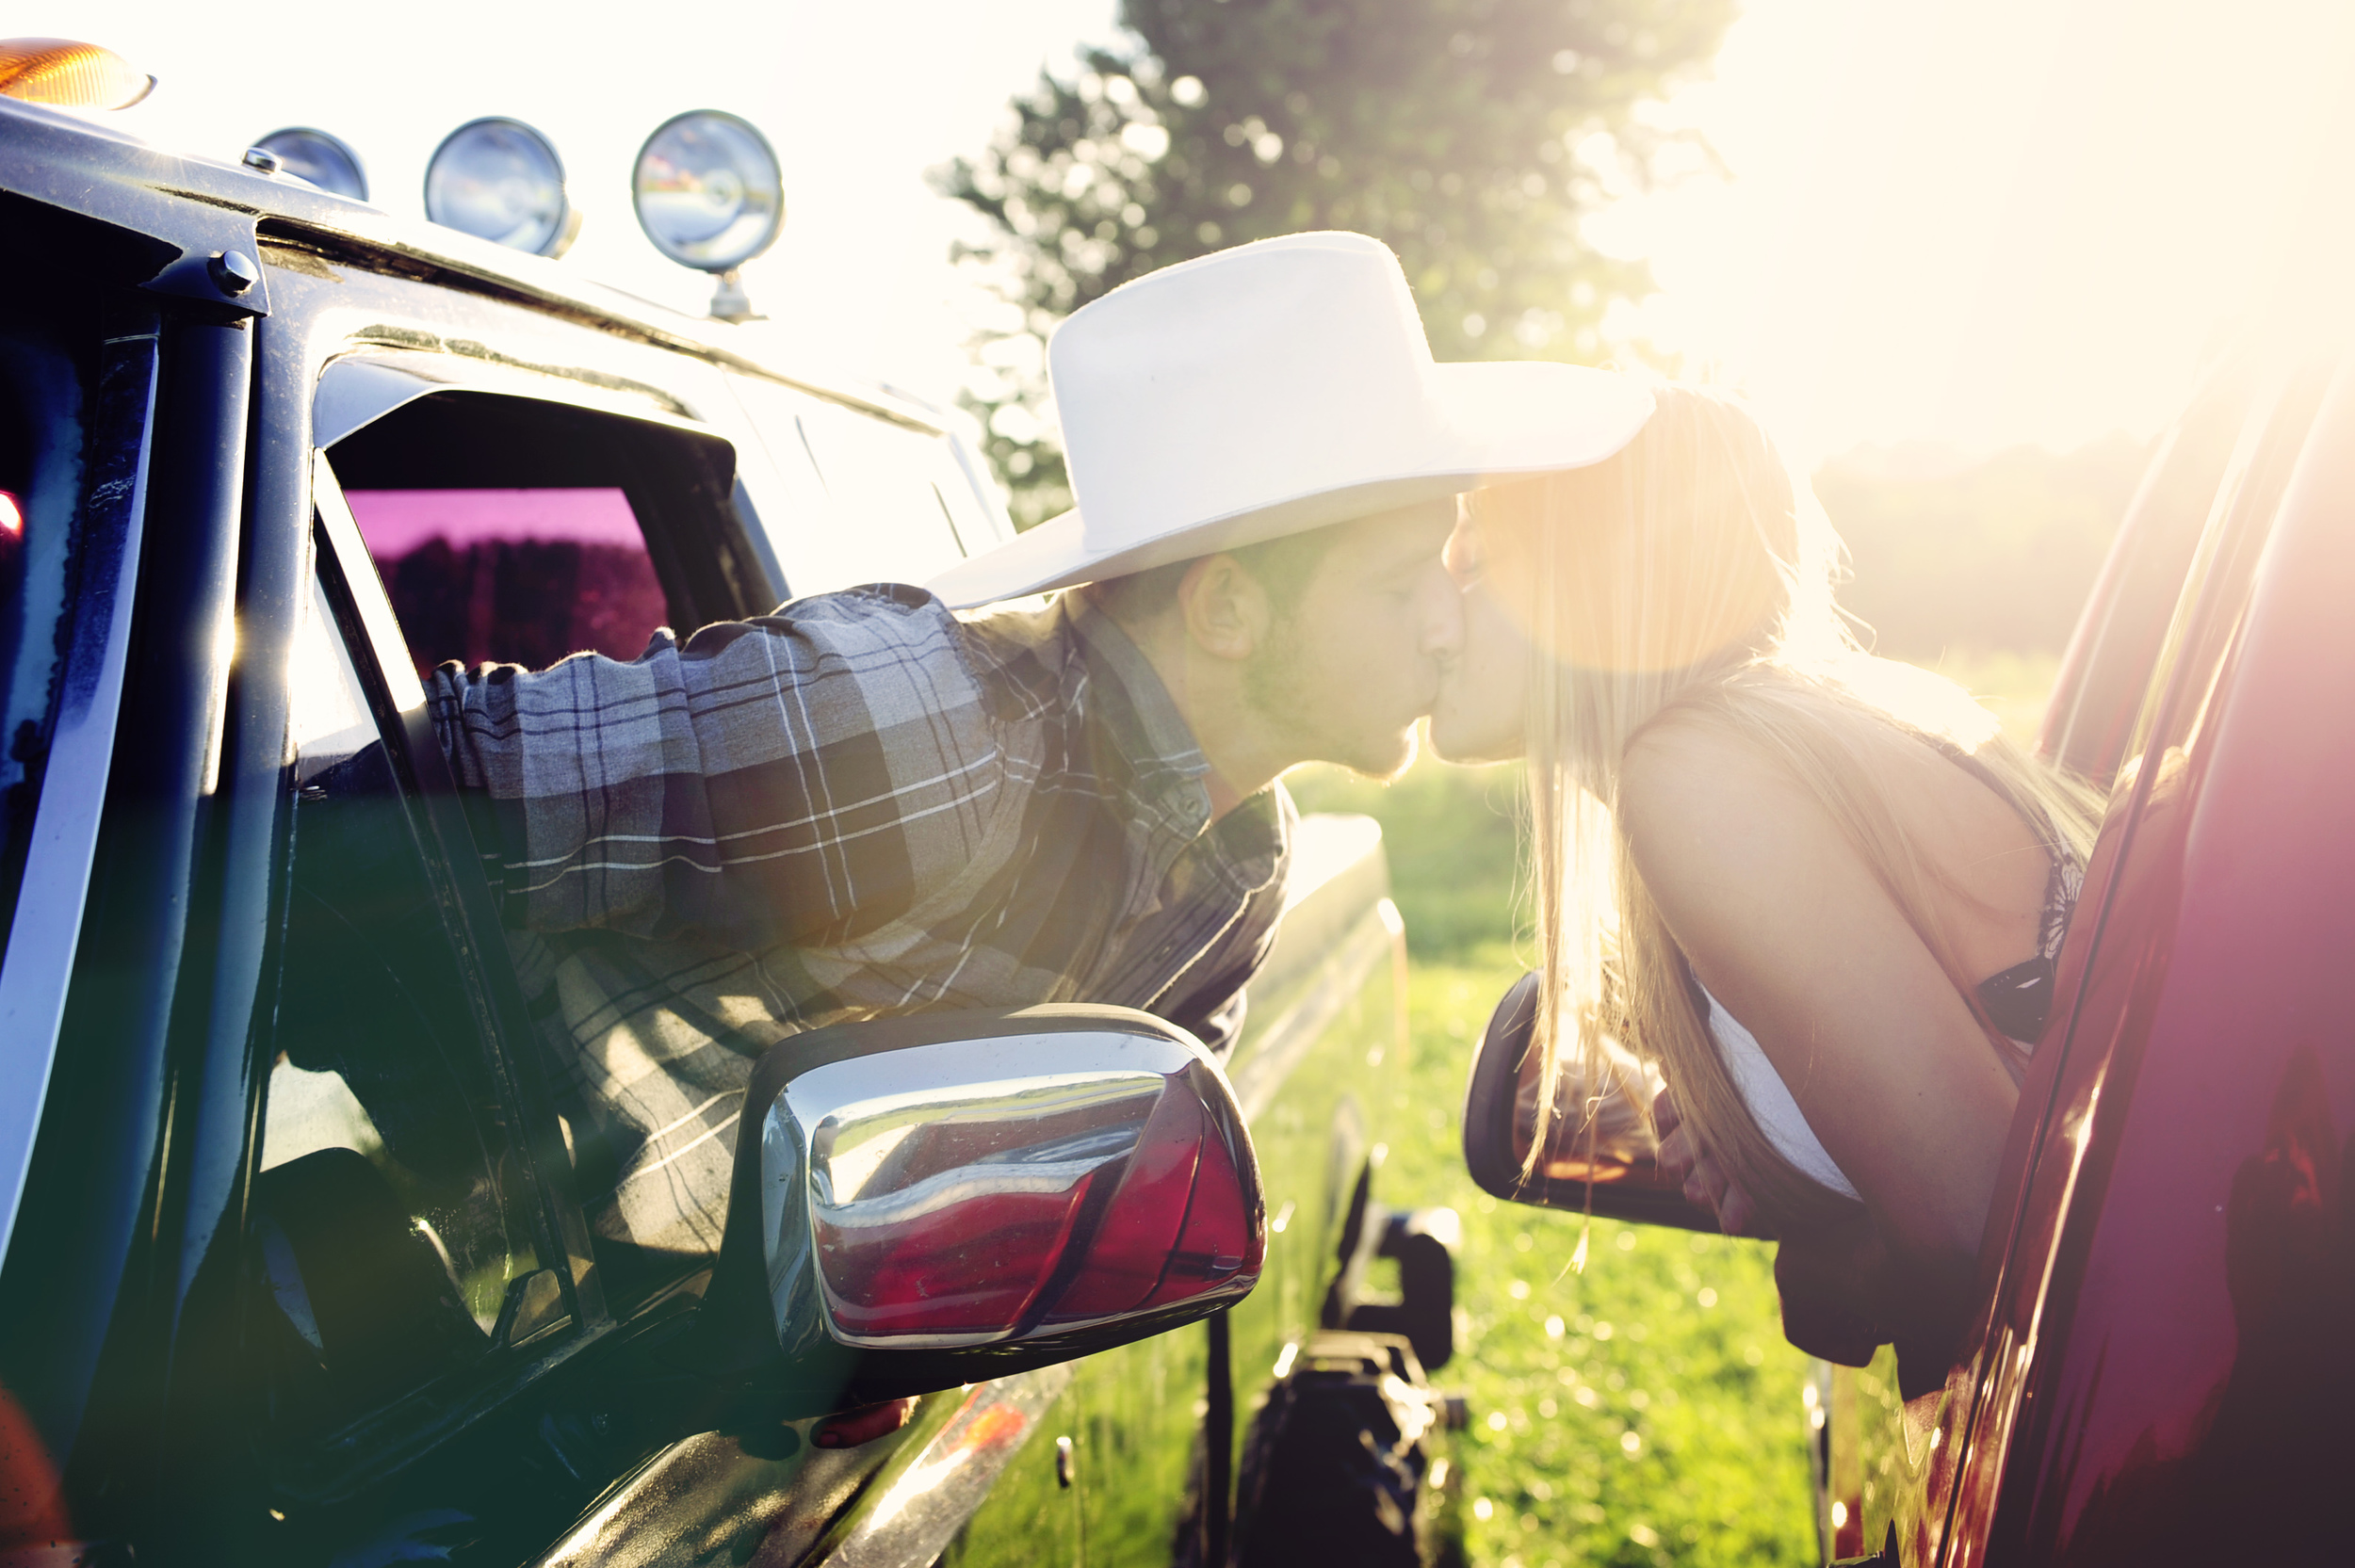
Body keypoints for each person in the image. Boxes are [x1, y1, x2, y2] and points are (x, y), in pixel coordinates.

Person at [429, 232, 1655, 1278]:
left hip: (698, 1335)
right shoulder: (930, 730)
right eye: (1402, 585)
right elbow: (404, 812)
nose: (1451, 620)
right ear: (1227, 611)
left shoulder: (1242, 853)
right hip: (473, 1319)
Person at [1428, 382, 2101, 1372]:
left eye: (1474, 558)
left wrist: (1832, 1273)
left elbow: (1980, 1233)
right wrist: (1789, 1157)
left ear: (1595, 578)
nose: (1438, 603)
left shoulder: (1697, 776)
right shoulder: (1780, 739)